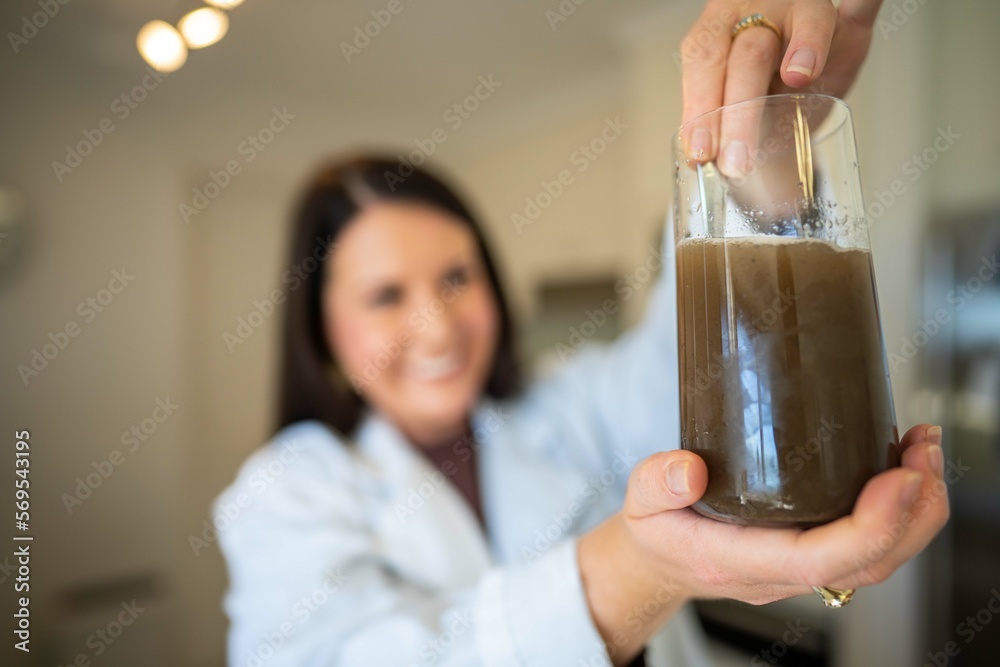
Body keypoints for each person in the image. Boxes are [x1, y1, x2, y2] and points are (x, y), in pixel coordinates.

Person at [214, 1, 948, 665]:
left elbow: (702, 368)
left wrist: (759, 137)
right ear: (320, 326)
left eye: (456, 278)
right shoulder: (285, 495)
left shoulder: (567, 401)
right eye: (385, 294)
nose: (437, 323)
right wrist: (641, 569)